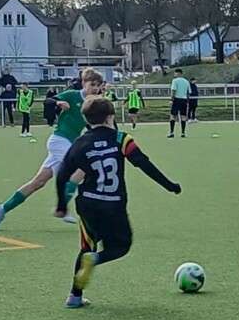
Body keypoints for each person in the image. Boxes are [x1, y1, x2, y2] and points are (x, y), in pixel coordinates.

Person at [54, 96, 181, 308]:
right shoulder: (122, 139)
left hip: (87, 204)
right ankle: (95, 260)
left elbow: (62, 175)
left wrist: (61, 204)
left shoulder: (80, 143)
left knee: (87, 246)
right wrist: (169, 185)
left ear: (87, 119)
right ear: (110, 117)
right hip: (113, 205)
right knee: (121, 247)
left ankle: (74, 296)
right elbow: (143, 164)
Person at [0, 68, 105, 231]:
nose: (95, 88)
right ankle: (63, 206)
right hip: (59, 140)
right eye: (92, 84)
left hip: (69, 144)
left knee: (38, 182)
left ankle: (2, 208)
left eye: (98, 85)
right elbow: (48, 101)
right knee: (82, 167)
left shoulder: (93, 104)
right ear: (83, 83)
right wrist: (58, 103)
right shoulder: (72, 95)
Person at [169, 69, 189, 138]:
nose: (174, 75)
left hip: (176, 99)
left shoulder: (175, 81)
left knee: (173, 115)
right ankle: (183, 133)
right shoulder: (186, 81)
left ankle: (171, 132)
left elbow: (173, 90)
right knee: (183, 116)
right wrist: (187, 101)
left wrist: (171, 100)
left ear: (179, 73)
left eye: (175, 73)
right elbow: (188, 92)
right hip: (184, 100)